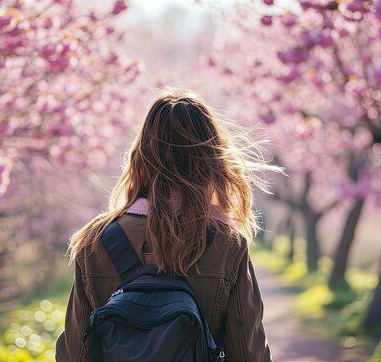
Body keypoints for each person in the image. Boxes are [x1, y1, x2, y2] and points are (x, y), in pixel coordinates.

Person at [56, 89, 278, 362]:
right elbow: (248, 353)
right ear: (211, 159)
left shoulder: (95, 241)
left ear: (141, 155)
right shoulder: (226, 243)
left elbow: (72, 353)